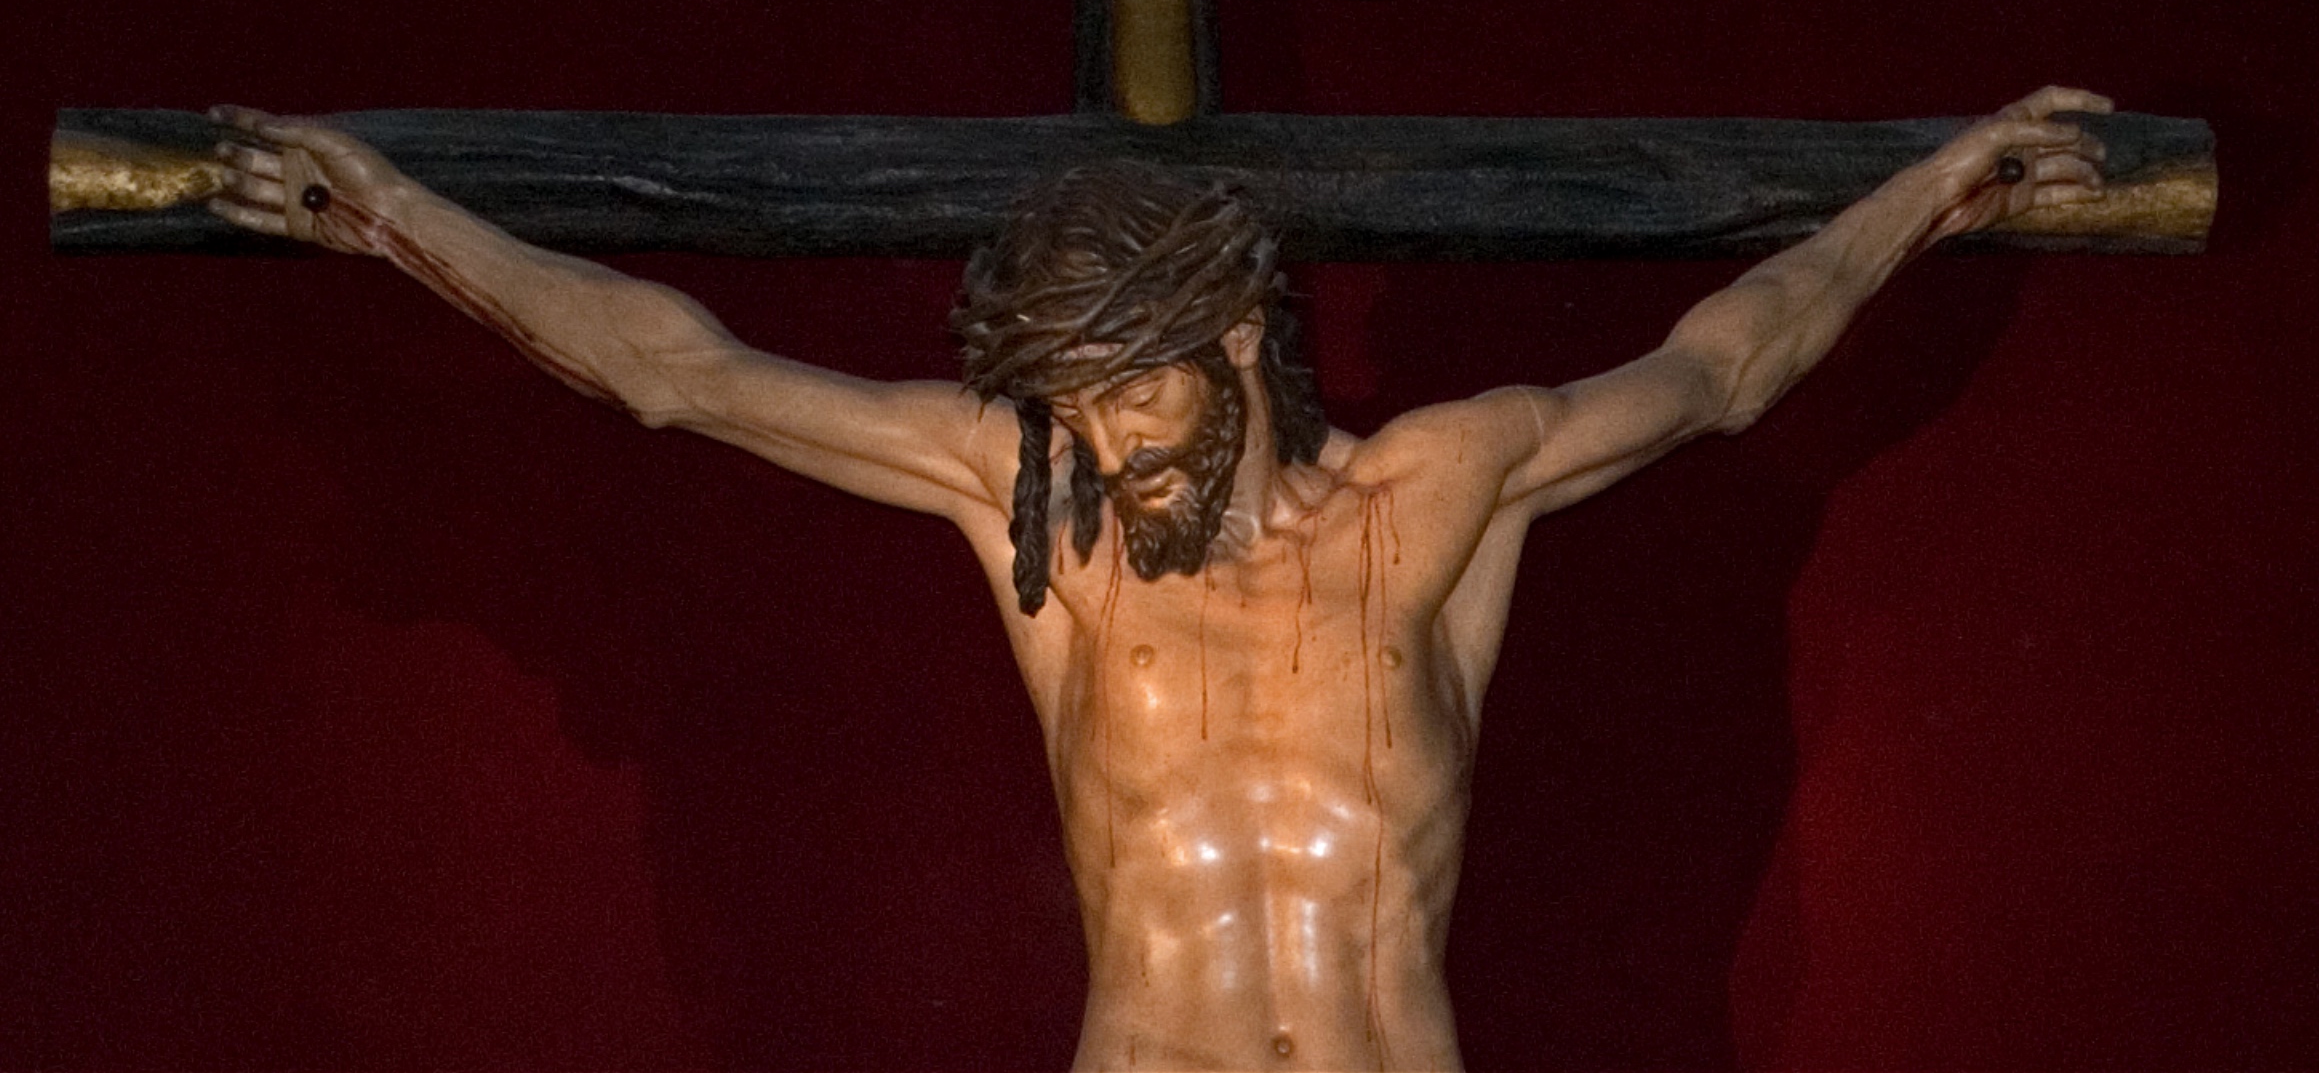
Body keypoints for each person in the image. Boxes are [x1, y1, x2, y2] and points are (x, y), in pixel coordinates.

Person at [208, 87, 2109, 1072]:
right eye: (1076, 400)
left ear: (1237, 337)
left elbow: (1725, 361)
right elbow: (681, 373)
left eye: (1135, 384)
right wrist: (388, 217)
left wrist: (1940, 184)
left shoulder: (1438, 493)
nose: (1107, 438)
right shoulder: (1041, 523)